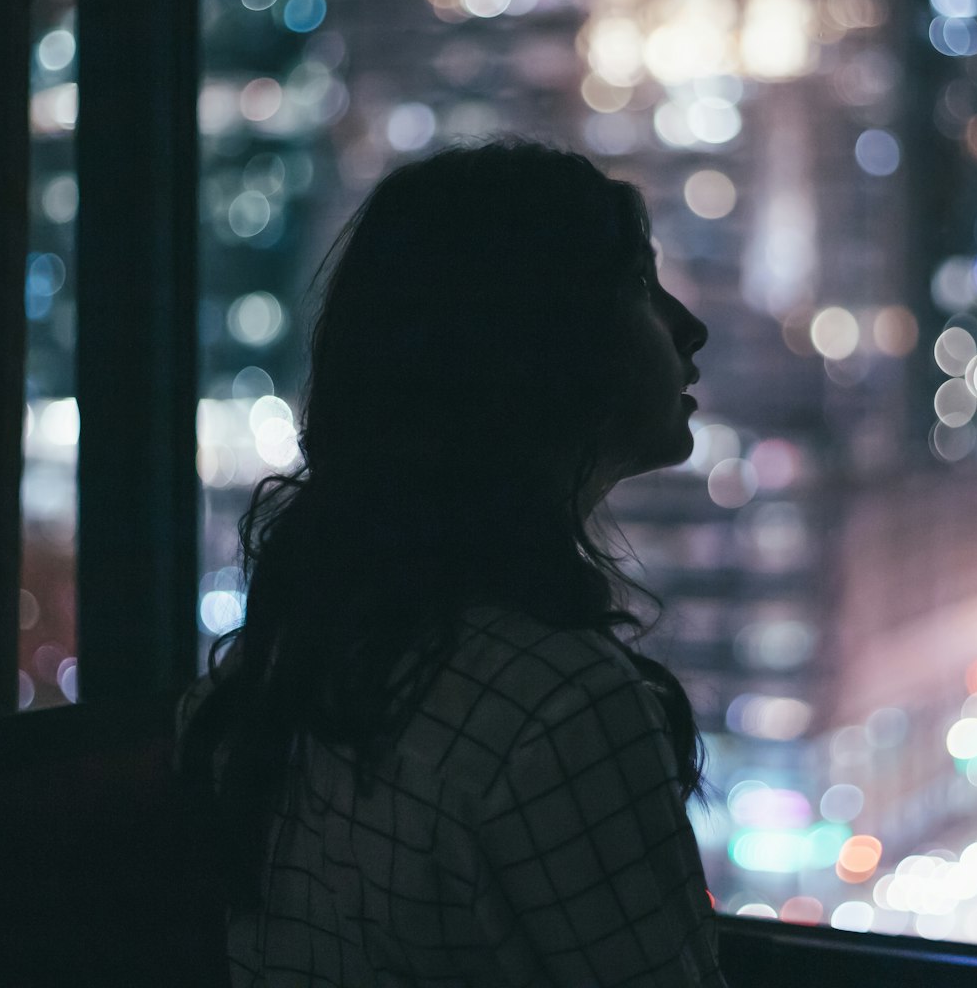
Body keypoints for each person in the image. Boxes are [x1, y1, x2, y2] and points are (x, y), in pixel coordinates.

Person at [175, 135, 725, 986]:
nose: (690, 327)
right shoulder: (566, 712)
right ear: (540, 345)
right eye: (637, 285)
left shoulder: (279, 668)